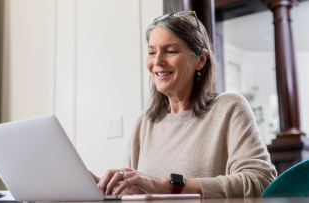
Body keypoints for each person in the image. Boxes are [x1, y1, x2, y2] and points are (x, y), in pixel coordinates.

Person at [90, 11, 277, 199]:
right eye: (152, 52)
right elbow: (131, 192)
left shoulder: (229, 107)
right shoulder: (145, 121)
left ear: (201, 60)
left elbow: (260, 181)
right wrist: (97, 185)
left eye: (170, 51)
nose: (157, 61)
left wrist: (166, 186)